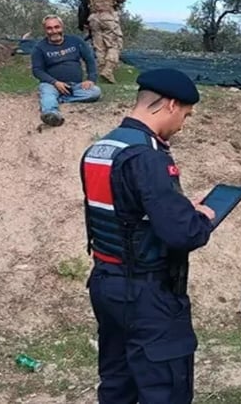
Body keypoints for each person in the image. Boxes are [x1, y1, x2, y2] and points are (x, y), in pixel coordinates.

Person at [79, 68, 216, 403]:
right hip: (146, 292)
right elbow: (181, 234)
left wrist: (179, 206)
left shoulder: (102, 147)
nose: (184, 123)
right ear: (170, 105)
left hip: (106, 282)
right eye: (185, 113)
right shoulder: (148, 156)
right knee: (164, 387)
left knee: (117, 382)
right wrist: (201, 220)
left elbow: (125, 209)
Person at [31, 14, 101, 127]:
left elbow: (90, 60)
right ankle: (51, 114)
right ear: (45, 30)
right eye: (49, 28)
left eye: (56, 27)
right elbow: (37, 70)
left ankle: (60, 99)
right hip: (51, 85)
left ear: (62, 27)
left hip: (74, 86)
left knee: (95, 92)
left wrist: (91, 79)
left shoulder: (75, 41)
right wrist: (55, 82)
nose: (54, 31)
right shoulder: (39, 48)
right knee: (47, 92)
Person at [78, 0, 127, 84]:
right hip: (108, 17)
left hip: (93, 18)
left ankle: (101, 71)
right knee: (115, 45)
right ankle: (108, 71)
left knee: (99, 47)